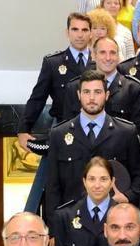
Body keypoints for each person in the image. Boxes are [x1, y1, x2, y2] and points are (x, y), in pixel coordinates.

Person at [18, 13, 94, 213]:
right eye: (75, 29)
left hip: (93, 129)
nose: (79, 35)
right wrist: (23, 128)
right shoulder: (53, 62)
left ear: (91, 33)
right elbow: (38, 97)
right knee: (52, 181)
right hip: (62, 128)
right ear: (67, 32)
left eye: (84, 30)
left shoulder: (99, 62)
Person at [46, 70, 140, 222]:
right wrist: (53, 229)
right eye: (86, 92)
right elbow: (53, 185)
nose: (91, 98)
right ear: (79, 95)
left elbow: (139, 175)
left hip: (114, 220)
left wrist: (127, 196)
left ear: (106, 95)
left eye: (97, 92)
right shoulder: (59, 134)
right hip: (72, 222)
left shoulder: (126, 132)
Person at [63, 37, 140, 137]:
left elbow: (137, 132)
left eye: (112, 53)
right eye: (102, 52)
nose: (108, 58)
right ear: (93, 55)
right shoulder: (75, 86)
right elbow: (68, 128)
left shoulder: (133, 88)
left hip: (118, 149)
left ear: (118, 56)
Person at [52, 156, 116, 246]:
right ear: (84, 181)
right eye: (92, 179)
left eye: (103, 179)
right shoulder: (65, 217)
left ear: (112, 182)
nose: (97, 185)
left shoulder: (125, 216)